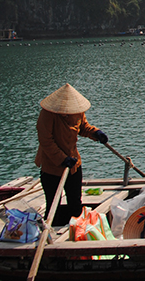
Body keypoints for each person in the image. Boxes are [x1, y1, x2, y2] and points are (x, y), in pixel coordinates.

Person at [34, 83, 108, 225]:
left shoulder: (76, 111)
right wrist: (62, 159)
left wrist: (96, 133)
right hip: (52, 167)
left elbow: (83, 127)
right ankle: (51, 232)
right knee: (53, 203)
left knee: (75, 201)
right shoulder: (48, 114)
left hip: (73, 164)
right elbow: (46, 140)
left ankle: (76, 231)